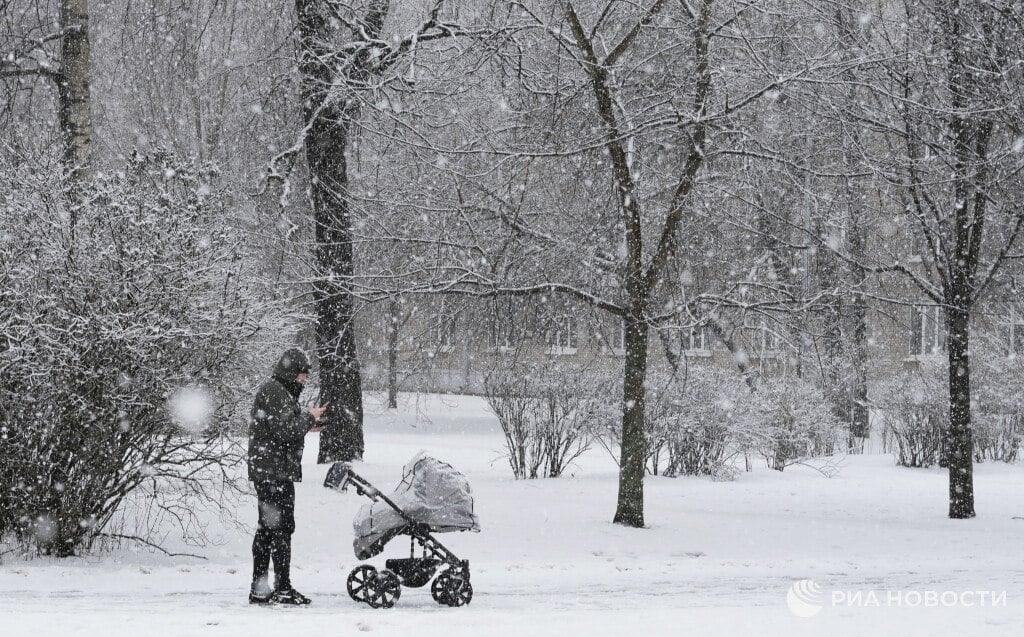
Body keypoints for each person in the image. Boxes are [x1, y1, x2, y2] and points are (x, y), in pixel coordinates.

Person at [248, 348, 327, 606]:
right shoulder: (275, 391)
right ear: (290, 373)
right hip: (274, 473)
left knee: (270, 529)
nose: (304, 381)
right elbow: (284, 430)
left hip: (272, 470)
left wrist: (307, 422)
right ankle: (280, 588)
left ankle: (262, 588)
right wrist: (307, 417)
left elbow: (282, 428)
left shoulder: (278, 391)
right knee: (279, 529)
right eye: (302, 376)